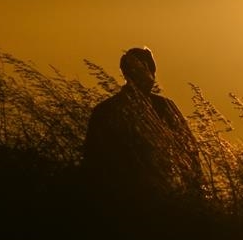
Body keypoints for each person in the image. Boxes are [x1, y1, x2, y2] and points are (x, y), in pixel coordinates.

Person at [82, 47, 202, 205]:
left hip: (121, 199)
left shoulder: (105, 110)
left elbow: (189, 149)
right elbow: (190, 150)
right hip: (145, 198)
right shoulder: (163, 107)